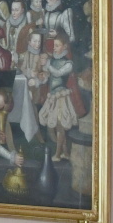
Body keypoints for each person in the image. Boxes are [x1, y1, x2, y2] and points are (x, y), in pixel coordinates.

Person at [37, 33, 79, 161]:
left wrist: (48, 66)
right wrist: (42, 77)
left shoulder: (68, 63)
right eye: (54, 45)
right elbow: (48, 78)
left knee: (60, 126)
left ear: (64, 47)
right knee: (56, 127)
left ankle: (57, 154)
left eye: (57, 45)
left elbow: (58, 73)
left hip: (61, 97)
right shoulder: (52, 61)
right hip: (53, 96)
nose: (54, 48)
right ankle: (65, 152)